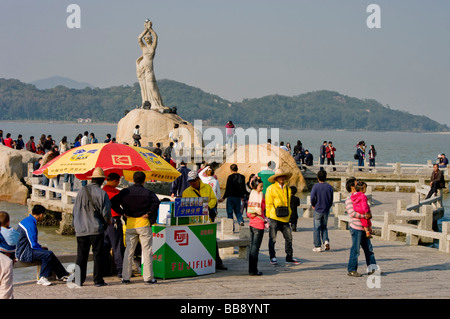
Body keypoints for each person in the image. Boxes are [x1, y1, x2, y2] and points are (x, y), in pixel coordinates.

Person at [111, 171, 160, 285]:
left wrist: (123, 212)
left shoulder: (125, 192)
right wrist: (149, 213)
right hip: (143, 223)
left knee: (129, 251)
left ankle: (125, 277)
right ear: (144, 181)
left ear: (132, 180)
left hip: (131, 224)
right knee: (146, 250)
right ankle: (148, 278)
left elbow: (113, 202)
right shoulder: (148, 192)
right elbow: (156, 202)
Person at [72, 167, 112, 287]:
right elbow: (106, 213)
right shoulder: (102, 193)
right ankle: (98, 280)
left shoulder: (81, 191)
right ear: (102, 181)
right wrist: (107, 222)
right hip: (95, 229)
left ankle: (78, 280)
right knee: (98, 255)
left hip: (81, 229)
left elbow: (74, 211)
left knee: (81, 256)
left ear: (92, 179)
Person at [183, 171, 227, 270]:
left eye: (193, 181)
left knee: (212, 240)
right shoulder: (186, 192)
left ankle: (218, 263)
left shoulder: (207, 187)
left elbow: (213, 199)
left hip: (207, 220)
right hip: (193, 221)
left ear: (198, 179)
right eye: (190, 181)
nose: (192, 183)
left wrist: (207, 207)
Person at [16, 205, 70, 286]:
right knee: (48, 254)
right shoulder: (31, 225)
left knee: (48, 253)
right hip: (24, 253)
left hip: (23, 250)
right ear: (41, 214)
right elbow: (33, 244)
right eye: (43, 215)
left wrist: (40, 248)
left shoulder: (27, 221)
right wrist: (40, 249)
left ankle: (63, 275)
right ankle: (43, 277)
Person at [265, 169, 301, 265]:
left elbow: (288, 203)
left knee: (289, 237)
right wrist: (268, 217)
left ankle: (289, 257)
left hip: (285, 217)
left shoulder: (288, 189)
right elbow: (268, 204)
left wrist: (289, 214)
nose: (282, 178)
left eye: (283, 176)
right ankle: (272, 257)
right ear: (276, 178)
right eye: (280, 176)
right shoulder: (271, 188)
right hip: (274, 216)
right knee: (273, 238)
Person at [345, 178, 378, 277]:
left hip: (365, 227)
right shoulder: (349, 199)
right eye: (356, 184)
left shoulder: (362, 196)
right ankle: (352, 269)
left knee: (369, 249)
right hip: (356, 228)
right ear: (352, 187)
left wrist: (369, 215)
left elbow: (366, 208)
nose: (358, 185)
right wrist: (364, 216)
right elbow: (352, 213)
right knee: (355, 249)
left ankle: (372, 269)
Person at [136, 19, 164, 109]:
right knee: (144, 87)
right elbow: (139, 38)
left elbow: (156, 37)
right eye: (146, 38)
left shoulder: (153, 47)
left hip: (149, 69)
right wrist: (145, 30)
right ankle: (146, 102)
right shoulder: (143, 46)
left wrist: (150, 29)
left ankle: (158, 104)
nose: (147, 39)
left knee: (152, 86)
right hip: (142, 68)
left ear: (151, 39)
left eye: (149, 38)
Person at [102, 173, 125, 278]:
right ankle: (121, 271)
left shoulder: (101, 191)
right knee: (117, 247)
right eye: (118, 181)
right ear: (115, 180)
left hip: (102, 221)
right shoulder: (116, 192)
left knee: (104, 247)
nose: (118, 183)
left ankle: (105, 270)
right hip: (114, 220)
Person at [310, 170, 334, 252]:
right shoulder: (329, 187)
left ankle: (317, 246)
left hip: (318, 209)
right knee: (324, 227)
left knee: (317, 228)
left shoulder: (316, 186)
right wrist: (328, 206)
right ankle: (326, 241)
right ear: (326, 177)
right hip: (326, 209)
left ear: (318, 178)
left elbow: (312, 197)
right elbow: (331, 199)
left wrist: (313, 204)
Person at [247, 179, 266, 276]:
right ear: (256, 187)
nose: (262, 189)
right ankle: (253, 270)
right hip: (259, 224)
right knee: (255, 248)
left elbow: (249, 213)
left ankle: (251, 269)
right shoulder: (260, 197)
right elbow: (262, 209)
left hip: (252, 223)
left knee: (252, 247)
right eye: (261, 187)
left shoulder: (251, 196)